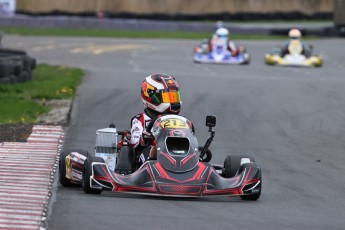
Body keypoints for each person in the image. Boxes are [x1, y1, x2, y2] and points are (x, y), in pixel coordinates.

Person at [129, 73, 182, 165]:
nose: (172, 101)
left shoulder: (180, 121)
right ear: (150, 97)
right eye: (167, 96)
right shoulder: (140, 119)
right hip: (150, 160)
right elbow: (134, 143)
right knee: (152, 150)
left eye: (174, 96)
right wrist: (145, 138)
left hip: (175, 152)